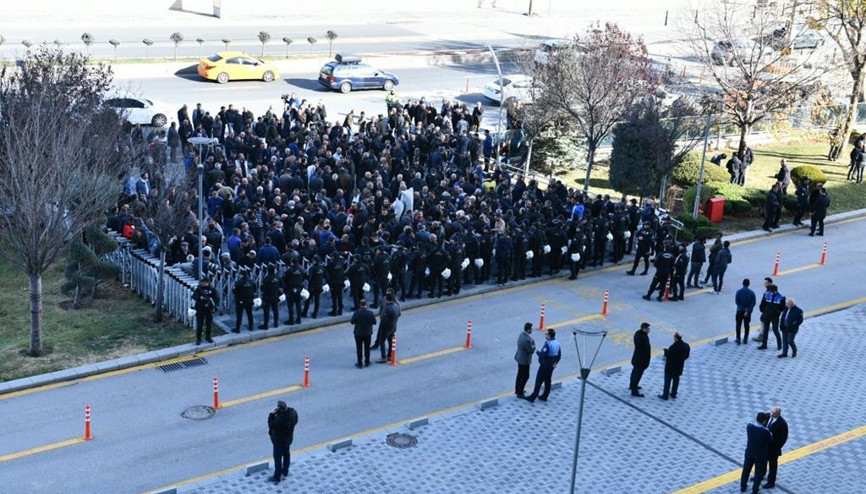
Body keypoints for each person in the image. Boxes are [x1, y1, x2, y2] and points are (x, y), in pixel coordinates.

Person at [526, 328, 561, 403]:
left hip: (544, 366)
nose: (545, 335)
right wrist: (555, 363)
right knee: (548, 380)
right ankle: (545, 395)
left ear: (549, 335)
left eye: (546, 334)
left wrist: (536, 351)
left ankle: (533, 396)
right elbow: (559, 355)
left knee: (538, 381)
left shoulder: (548, 345)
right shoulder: (557, 343)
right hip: (551, 366)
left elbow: (542, 355)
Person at [741, 412, 773, 494]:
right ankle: (755, 490)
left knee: (746, 470)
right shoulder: (765, 432)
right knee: (758, 473)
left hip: (749, 453)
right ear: (764, 421)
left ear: (756, 419)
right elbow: (770, 440)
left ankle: (743, 487)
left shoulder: (749, 427)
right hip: (760, 455)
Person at [267, 400, 298, 484]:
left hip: (279, 442)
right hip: (288, 440)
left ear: (280, 409)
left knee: (277, 459)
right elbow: (295, 421)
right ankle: (285, 472)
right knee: (286, 455)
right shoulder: (293, 413)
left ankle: (277, 477)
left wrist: (271, 415)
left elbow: (271, 424)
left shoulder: (281, 420)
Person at [658, 332, 690, 400]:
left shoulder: (673, 347)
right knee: (676, 380)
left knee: (667, 381)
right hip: (679, 367)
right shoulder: (686, 346)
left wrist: (666, 351)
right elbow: (687, 356)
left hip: (670, 367)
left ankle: (665, 395)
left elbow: (669, 356)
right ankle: (673, 393)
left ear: (675, 338)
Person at [765, 406, 789, 489]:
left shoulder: (782, 424)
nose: (772, 414)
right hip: (764, 446)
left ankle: (771, 482)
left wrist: (776, 447)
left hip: (773, 449)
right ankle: (760, 475)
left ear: (779, 414)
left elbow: (783, 438)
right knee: (762, 462)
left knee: (773, 466)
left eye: (774, 413)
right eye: (771, 412)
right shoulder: (767, 416)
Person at [374, 290, 401, 363]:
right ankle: (389, 355)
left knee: (382, 341)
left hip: (386, 328)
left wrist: (382, 327)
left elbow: (384, 320)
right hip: (393, 326)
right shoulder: (397, 305)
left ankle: (383, 357)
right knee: (390, 341)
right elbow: (399, 314)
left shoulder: (388, 308)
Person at [191, 275, 219, 345]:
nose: (202, 283)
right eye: (202, 282)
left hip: (209, 310)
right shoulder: (199, 289)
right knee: (199, 325)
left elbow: (216, 298)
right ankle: (198, 338)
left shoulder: (212, 289)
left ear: (208, 282)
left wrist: (210, 304)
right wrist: (200, 298)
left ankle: (208, 337)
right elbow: (194, 296)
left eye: (204, 282)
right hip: (200, 309)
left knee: (208, 324)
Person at [350, 298, 376, 368]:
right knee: (367, 348)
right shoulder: (370, 313)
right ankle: (367, 361)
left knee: (359, 348)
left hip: (358, 334)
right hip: (367, 333)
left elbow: (352, 322)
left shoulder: (356, 313)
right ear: (366, 305)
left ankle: (360, 363)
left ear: (360, 305)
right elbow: (374, 322)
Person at [758, 284, 785, 351]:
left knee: (775, 330)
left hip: (775, 316)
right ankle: (764, 344)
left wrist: (777, 312)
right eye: (770, 291)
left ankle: (779, 345)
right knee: (765, 330)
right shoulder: (767, 294)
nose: (771, 293)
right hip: (767, 315)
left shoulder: (781, 297)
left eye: (772, 292)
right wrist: (763, 311)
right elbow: (762, 303)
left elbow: (783, 307)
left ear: (776, 291)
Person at [514, 322, 536, 399]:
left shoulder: (522, 335)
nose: (532, 330)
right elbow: (531, 350)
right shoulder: (527, 340)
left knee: (520, 374)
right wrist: (533, 345)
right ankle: (520, 392)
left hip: (519, 357)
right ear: (528, 329)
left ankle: (517, 390)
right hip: (524, 360)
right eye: (531, 329)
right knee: (526, 376)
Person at [630, 323, 651, 397]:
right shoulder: (642, 337)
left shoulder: (638, 333)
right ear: (644, 329)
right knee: (637, 375)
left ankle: (632, 385)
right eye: (648, 329)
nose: (649, 330)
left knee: (634, 373)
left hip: (636, 358)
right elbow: (644, 350)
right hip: (640, 360)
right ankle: (634, 390)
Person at [232, 268, 256, 332]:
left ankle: (238, 328)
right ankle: (251, 326)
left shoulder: (239, 283)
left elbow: (234, 291)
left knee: (239, 315)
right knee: (249, 313)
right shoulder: (251, 281)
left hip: (241, 301)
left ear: (242, 275)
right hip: (249, 300)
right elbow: (254, 289)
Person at [734, 279, 757, 345]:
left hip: (739, 311)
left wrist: (743, 309)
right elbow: (753, 303)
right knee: (746, 325)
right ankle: (745, 339)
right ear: (749, 284)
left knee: (738, 324)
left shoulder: (738, 292)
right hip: (748, 312)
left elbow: (737, 302)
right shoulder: (752, 292)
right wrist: (747, 310)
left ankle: (738, 339)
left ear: (742, 283)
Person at [259, 265, 282, 329]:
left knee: (266, 311)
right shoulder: (277, 277)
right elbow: (281, 285)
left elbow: (262, 288)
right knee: (275, 309)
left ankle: (266, 324)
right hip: (275, 295)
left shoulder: (266, 278)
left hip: (267, 297)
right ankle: (276, 323)